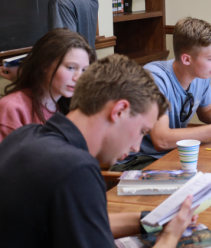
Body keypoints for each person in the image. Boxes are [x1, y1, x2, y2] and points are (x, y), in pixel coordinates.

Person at [0, 54, 195, 247]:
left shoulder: (25, 135)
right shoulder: (76, 169)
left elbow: (86, 224)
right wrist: (170, 237)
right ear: (119, 111)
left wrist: (154, 219)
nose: (136, 146)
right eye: (142, 131)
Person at [112, 17, 211, 171]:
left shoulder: (200, 75)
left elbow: (207, 112)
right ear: (187, 59)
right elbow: (161, 140)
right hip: (137, 161)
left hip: (171, 153)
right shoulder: (154, 79)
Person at [0, 29, 96, 142]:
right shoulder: (12, 108)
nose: (78, 78)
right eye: (70, 67)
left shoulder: (70, 108)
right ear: (45, 64)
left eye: (84, 70)